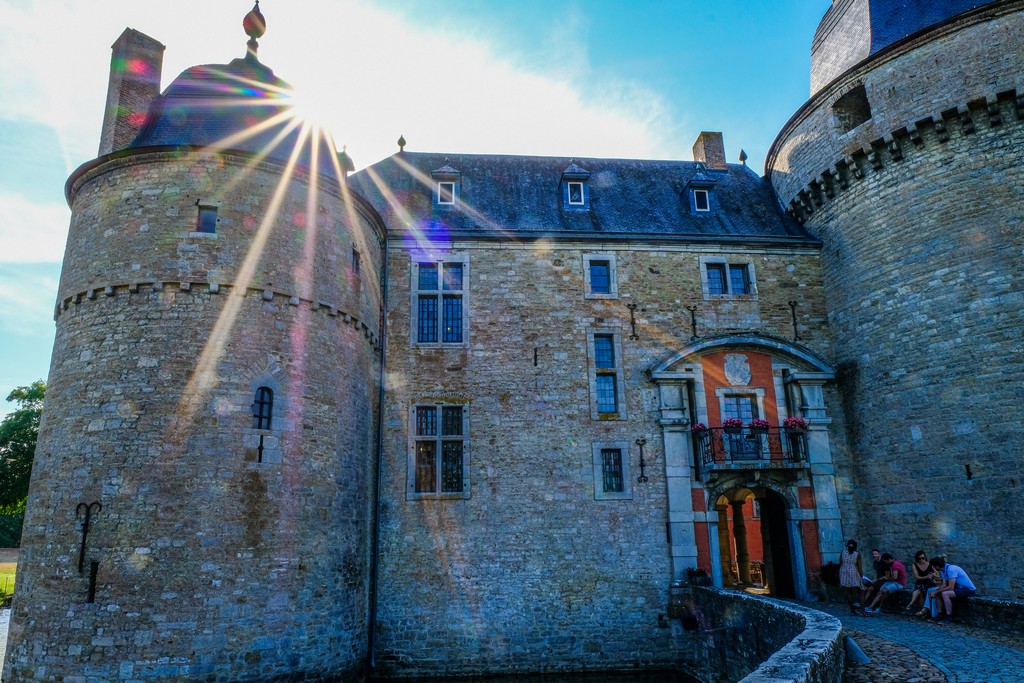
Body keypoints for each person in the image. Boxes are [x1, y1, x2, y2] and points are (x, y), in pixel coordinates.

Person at [918, 555, 977, 623]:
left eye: (933, 566)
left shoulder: (951, 569)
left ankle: (949, 616)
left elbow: (951, 587)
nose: (933, 568)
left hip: (968, 590)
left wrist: (936, 592)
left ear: (937, 566)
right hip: (960, 588)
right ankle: (940, 615)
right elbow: (944, 585)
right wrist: (936, 592)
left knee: (945, 594)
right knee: (938, 593)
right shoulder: (943, 571)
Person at [838, 539, 866, 615]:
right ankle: (863, 611)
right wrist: (861, 577)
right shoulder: (857, 554)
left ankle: (852, 611)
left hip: (843, 572)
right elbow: (860, 567)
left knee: (849, 593)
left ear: (847, 545)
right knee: (861, 591)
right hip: (853, 572)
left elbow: (840, 563)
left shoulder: (842, 553)